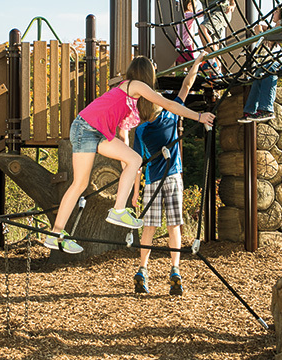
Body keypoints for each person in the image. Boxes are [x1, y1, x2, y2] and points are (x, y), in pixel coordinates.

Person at [44, 56, 215, 255]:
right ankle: (57, 232)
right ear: (146, 74)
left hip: (96, 132)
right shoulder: (135, 85)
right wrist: (199, 116)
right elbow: (167, 103)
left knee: (134, 159)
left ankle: (113, 213)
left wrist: (128, 168)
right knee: (79, 184)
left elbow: (123, 138)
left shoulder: (131, 102)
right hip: (85, 128)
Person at [130, 52, 208, 296]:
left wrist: (135, 193)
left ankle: (142, 269)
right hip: (173, 178)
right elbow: (186, 86)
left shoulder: (141, 129)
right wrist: (195, 65)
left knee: (149, 228)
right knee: (175, 226)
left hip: (152, 181)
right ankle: (175, 270)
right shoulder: (171, 113)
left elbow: (136, 164)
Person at [241, 8, 282, 121]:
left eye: (276, 12)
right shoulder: (279, 25)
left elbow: (270, 42)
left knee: (268, 68)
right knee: (259, 72)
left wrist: (260, 33)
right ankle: (249, 110)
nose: (273, 14)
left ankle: (266, 109)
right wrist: (265, 31)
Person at [198, 0, 235, 71]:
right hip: (209, 14)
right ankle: (217, 73)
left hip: (221, 12)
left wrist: (232, 5)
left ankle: (211, 62)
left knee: (202, 29)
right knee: (214, 43)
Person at [175, 0, 204, 66]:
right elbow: (199, 14)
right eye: (194, 7)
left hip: (178, 43)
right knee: (190, 62)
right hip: (186, 43)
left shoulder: (179, 16)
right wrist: (204, 10)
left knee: (181, 61)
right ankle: (188, 72)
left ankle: (182, 72)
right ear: (189, 5)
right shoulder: (188, 15)